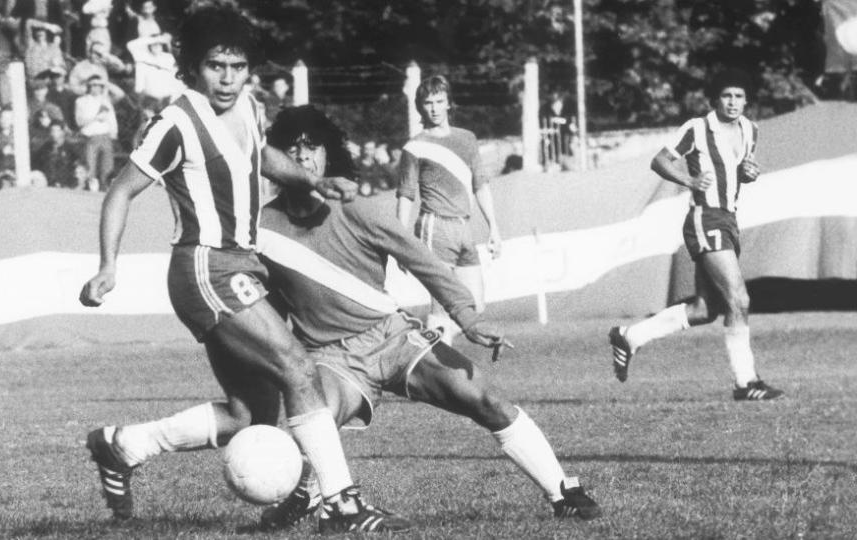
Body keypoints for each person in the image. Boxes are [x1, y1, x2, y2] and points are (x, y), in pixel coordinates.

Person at [77, 7, 410, 533]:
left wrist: (312, 180)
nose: (228, 78)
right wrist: (107, 265)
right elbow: (120, 191)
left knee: (250, 414)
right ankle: (341, 503)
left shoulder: (250, 107)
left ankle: (122, 446)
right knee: (297, 366)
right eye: (216, 66)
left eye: (237, 66)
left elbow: (262, 158)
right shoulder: (176, 122)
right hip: (206, 267)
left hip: (242, 267)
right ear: (192, 66)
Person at [254, 105, 601, 531]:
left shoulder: (356, 210)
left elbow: (424, 262)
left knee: (484, 398)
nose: (304, 158)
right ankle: (308, 497)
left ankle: (562, 491)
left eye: (313, 147)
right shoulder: (262, 229)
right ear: (277, 162)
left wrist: (468, 317)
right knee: (313, 425)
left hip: (393, 338)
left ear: (329, 156)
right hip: (331, 359)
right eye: (293, 149)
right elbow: (264, 307)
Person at [608, 68, 784, 401]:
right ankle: (746, 382)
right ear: (716, 99)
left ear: (747, 100)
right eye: (726, 96)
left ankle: (629, 336)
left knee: (705, 310)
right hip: (706, 218)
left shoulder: (750, 129)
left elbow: (741, 172)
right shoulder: (697, 128)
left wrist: (750, 173)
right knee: (740, 299)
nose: (732, 103)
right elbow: (659, 161)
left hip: (729, 219)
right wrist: (688, 181)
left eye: (739, 96)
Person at [396, 75, 502, 344]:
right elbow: (406, 195)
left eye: (439, 101)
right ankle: (436, 371)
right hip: (435, 226)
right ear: (421, 107)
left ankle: (424, 345)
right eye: (428, 103)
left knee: (475, 306)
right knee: (442, 305)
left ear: (449, 104)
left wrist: (494, 228)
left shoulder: (467, 139)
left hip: (464, 227)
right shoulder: (415, 146)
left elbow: (481, 185)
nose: (433, 108)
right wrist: (399, 240)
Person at [74, 74, 116, 190]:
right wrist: (95, 118)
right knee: (90, 166)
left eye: (98, 85)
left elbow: (112, 118)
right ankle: (91, 189)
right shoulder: (81, 101)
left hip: (105, 136)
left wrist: (113, 133)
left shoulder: (106, 100)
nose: (95, 88)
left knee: (107, 167)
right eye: (92, 85)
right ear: (88, 86)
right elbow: (79, 121)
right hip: (90, 137)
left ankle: (105, 188)